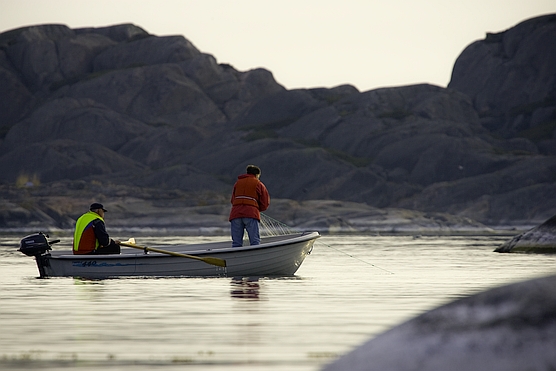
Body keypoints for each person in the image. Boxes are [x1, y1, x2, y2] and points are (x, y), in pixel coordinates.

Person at [229, 165, 270, 247]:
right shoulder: (258, 183)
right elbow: (265, 202)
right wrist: (257, 209)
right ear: (257, 175)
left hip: (235, 214)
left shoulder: (237, 183)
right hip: (251, 214)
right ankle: (256, 258)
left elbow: (233, 200)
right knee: (255, 242)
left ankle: (236, 258)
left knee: (236, 243)